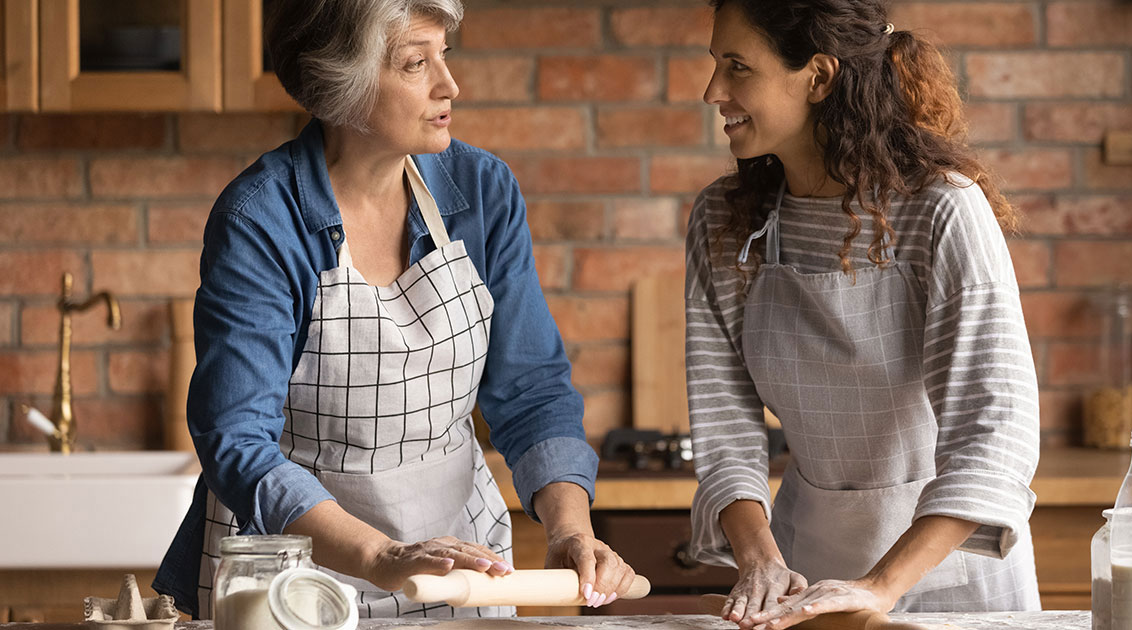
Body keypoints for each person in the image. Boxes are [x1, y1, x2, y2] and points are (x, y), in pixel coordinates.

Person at [153, 0, 635, 619]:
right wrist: (381, 557)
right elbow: (237, 440)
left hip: (460, 568)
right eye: (415, 63)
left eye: (445, 55)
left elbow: (533, 392)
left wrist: (571, 530)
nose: (449, 84)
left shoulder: (481, 193)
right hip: (294, 578)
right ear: (342, 86)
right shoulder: (261, 219)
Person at [684, 1, 1041, 628]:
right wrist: (760, 560)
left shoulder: (941, 209)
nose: (714, 90)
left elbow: (995, 432)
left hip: (955, 577)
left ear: (819, 77)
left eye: (738, 67)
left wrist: (880, 587)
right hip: (805, 572)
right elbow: (725, 430)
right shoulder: (723, 219)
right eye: (716, 64)